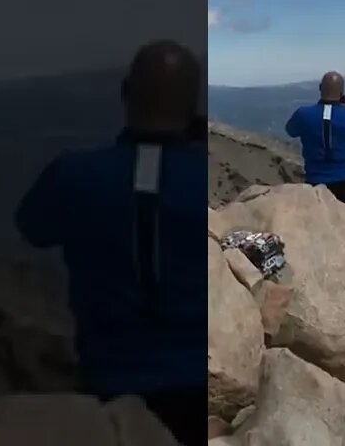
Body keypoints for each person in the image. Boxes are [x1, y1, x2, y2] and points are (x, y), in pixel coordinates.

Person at [14, 40, 206, 445]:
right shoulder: (207, 181)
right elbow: (263, 252)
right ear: (194, 104)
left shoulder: (73, 175)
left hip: (109, 390)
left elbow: (32, 227)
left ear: (124, 93)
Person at [285, 70, 345, 208]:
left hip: (316, 183)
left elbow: (290, 131)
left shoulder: (303, 114)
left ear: (320, 88)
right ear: (342, 93)